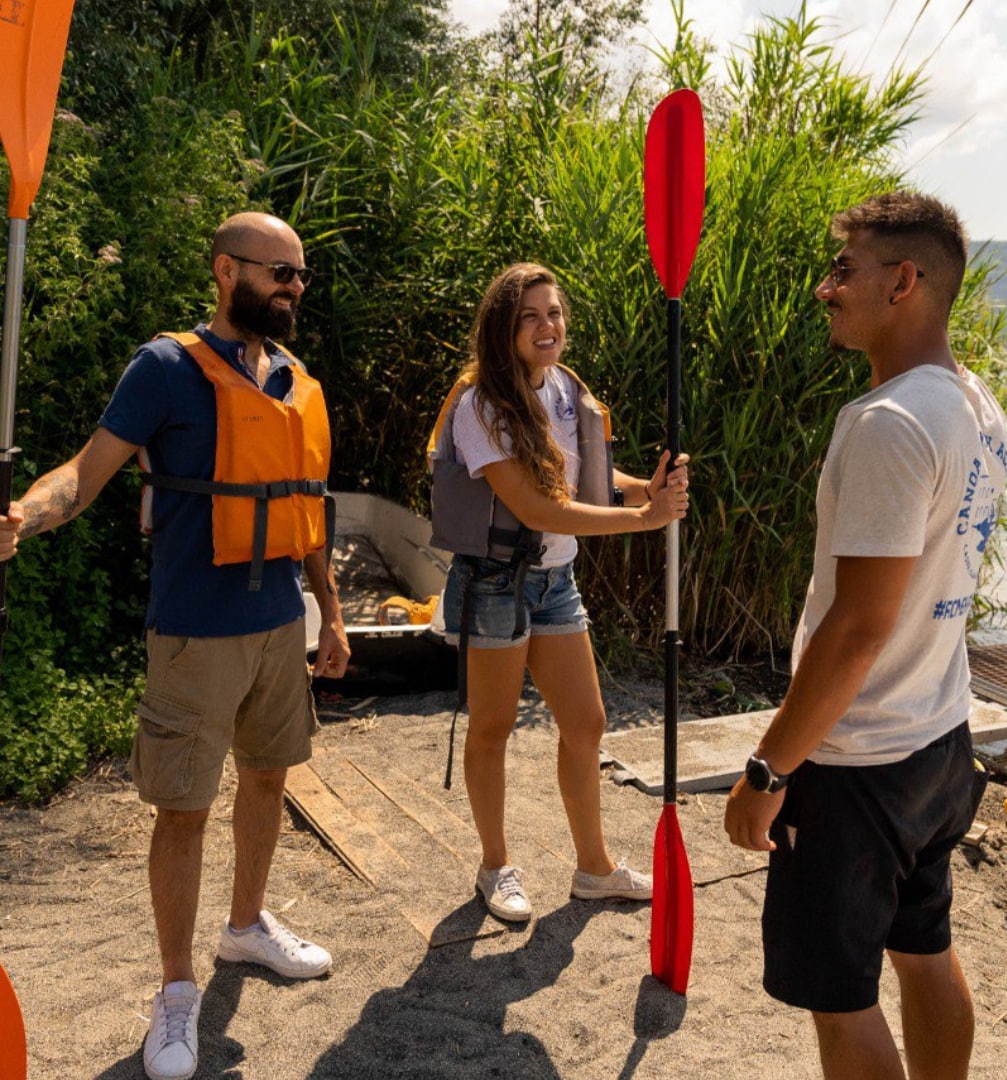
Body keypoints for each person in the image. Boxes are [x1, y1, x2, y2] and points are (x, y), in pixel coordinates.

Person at [0, 212, 350, 1080]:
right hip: (195, 630)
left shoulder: (293, 377)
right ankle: (175, 990)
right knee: (183, 809)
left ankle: (245, 928)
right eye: (280, 272)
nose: (294, 288)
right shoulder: (163, 369)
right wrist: (24, 517)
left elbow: (305, 509)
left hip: (278, 625)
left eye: (300, 275)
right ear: (227, 271)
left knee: (269, 777)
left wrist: (331, 613)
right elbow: (84, 473)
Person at [724, 192, 1007, 1079]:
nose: (824, 288)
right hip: (937, 739)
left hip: (860, 767)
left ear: (905, 281)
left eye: (844, 270)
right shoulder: (977, 402)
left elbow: (858, 628)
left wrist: (769, 772)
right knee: (924, 949)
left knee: (840, 1001)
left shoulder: (889, 423)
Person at [427, 262, 690, 923]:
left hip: (556, 581)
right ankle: (496, 867)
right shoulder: (480, 404)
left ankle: (594, 869)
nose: (548, 327)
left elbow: (585, 478)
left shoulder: (566, 389)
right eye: (531, 317)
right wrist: (641, 521)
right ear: (504, 328)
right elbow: (539, 508)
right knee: (492, 728)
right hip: (494, 582)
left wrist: (644, 490)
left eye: (555, 314)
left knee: (586, 723)